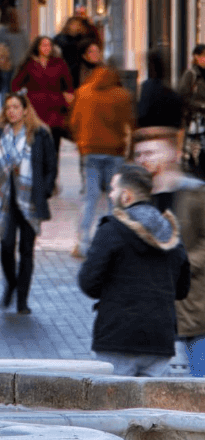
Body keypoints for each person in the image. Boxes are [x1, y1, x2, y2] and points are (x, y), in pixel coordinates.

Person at [78, 164, 190, 377]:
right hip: (160, 338)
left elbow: (88, 283)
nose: (110, 195)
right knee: (152, 409)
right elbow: (182, 289)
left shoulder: (111, 229)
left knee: (114, 407)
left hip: (117, 337)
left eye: (113, 189)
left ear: (126, 196)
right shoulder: (171, 233)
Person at [134, 128, 205, 376]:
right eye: (139, 154)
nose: (144, 159)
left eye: (151, 152)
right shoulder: (134, 198)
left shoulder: (196, 193)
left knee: (199, 388)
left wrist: (181, 264)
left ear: (172, 155)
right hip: (150, 310)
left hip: (195, 308)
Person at [0, 92, 56, 315]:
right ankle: (11, 284)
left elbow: (50, 168)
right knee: (6, 247)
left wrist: (43, 191)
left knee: (26, 251)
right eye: (8, 108)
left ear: (25, 110)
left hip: (30, 201)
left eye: (16, 107)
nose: (12, 111)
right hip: (5, 201)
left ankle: (22, 299)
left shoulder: (40, 135)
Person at [69, 61, 136, 259]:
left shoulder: (83, 92)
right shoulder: (122, 95)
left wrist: (81, 143)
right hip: (114, 151)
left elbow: (74, 122)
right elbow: (130, 124)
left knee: (90, 197)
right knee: (113, 198)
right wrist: (129, 150)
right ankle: (113, 243)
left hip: (90, 150)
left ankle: (82, 243)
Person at [11, 35, 74, 174]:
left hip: (55, 110)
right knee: (36, 146)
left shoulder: (59, 63)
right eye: (43, 45)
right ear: (37, 47)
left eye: (49, 45)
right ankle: (36, 175)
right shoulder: (29, 64)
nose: (47, 48)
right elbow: (15, 84)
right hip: (35, 111)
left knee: (53, 147)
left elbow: (68, 85)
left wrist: (67, 97)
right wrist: (22, 100)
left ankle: (51, 179)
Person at [0, 8, 29, 104]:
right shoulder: (22, 32)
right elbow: (27, 48)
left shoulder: (2, 31)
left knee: (5, 87)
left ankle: (5, 107)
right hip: (20, 65)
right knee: (17, 88)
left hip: (6, 65)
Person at [137, 48, 183, 131]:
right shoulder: (171, 92)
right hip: (169, 136)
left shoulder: (146, 87)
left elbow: (142, 115)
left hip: (149, 135)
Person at [178, 44, 205, 179]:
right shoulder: (191, 74)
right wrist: (200, 106)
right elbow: (183, 97)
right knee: (196, 152)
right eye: (204, 56)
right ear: (196, 57)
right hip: (195, 122)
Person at [53, 16, 100, 89]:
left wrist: (90, 25)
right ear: (68, 25)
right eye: (73, 24)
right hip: (66, 71)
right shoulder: (61, 39)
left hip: (81, 71)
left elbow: (95, 40)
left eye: (78, 25)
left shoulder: (83, 38)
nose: (75, 27)